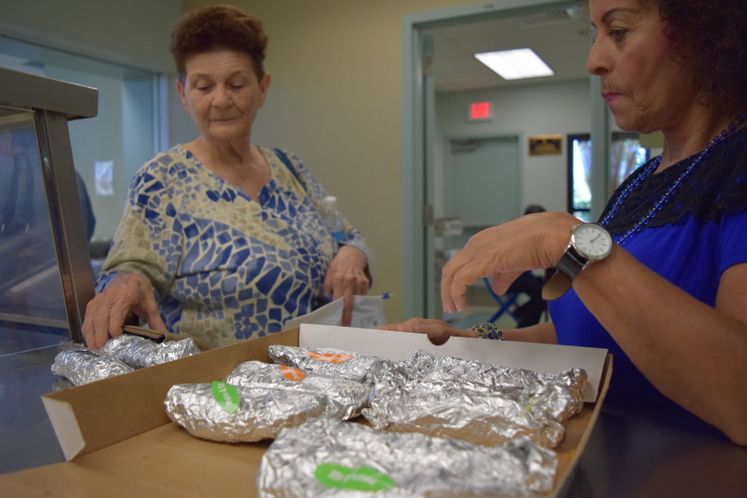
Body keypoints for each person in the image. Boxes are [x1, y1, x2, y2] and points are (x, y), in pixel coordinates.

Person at [384, 0, 747, 445]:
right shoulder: (638, 185)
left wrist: (563, 237)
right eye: (595, 33)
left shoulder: (737, 170)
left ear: (701, 33)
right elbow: (586, 334)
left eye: (618, 31)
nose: (594, 60)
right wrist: (470, 340)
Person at [82, 5, 371, 351]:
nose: (221, 100)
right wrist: (123, 284)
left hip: (311, 378)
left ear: (262, 88)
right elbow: (130, 268)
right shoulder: (163, 179)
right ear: (183, 95)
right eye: (204, 87)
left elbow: (347, 234)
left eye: (236, 84)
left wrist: (351, 255)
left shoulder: (290, 168)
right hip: (216, 393)